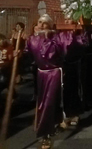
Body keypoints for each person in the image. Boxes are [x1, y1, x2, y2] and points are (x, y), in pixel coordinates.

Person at [26, 14, 64, 149]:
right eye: (40, 22)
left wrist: (47, 38)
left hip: (53, 73)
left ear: (50, 25)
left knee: (48, 102)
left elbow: (59, 53)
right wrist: (19, 54)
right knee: (42, 102)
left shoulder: (56, 38)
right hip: (40, 74)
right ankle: (54, 122)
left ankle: (45, 134)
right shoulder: (31, 39)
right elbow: (29, 55)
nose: (41, 25)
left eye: (45, 23)